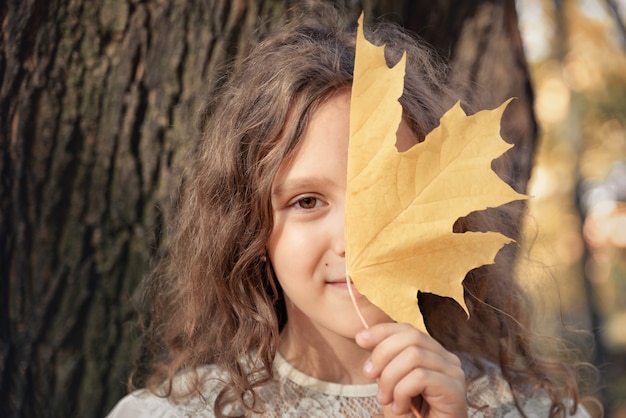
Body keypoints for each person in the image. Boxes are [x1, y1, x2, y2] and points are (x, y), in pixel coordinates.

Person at [107, 2, 591, 417]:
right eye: (307, 202)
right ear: (251, 231)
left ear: (447, 215)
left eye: (384, 195)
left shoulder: (531, 409)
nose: (353, 240)